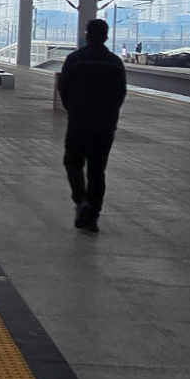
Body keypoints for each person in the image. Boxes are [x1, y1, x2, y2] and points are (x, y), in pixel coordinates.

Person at [57, 19, 126, 233]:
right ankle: (93, 216)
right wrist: (109, 115)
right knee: (97, 171)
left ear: (87, 35)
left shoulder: (75, 59)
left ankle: (81, 202)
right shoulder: (115, 63)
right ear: (106, 37)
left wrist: (74, 110)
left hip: (79, 123)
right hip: (105, 126)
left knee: (73, 162)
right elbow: (120, 94)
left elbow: (64, 88)